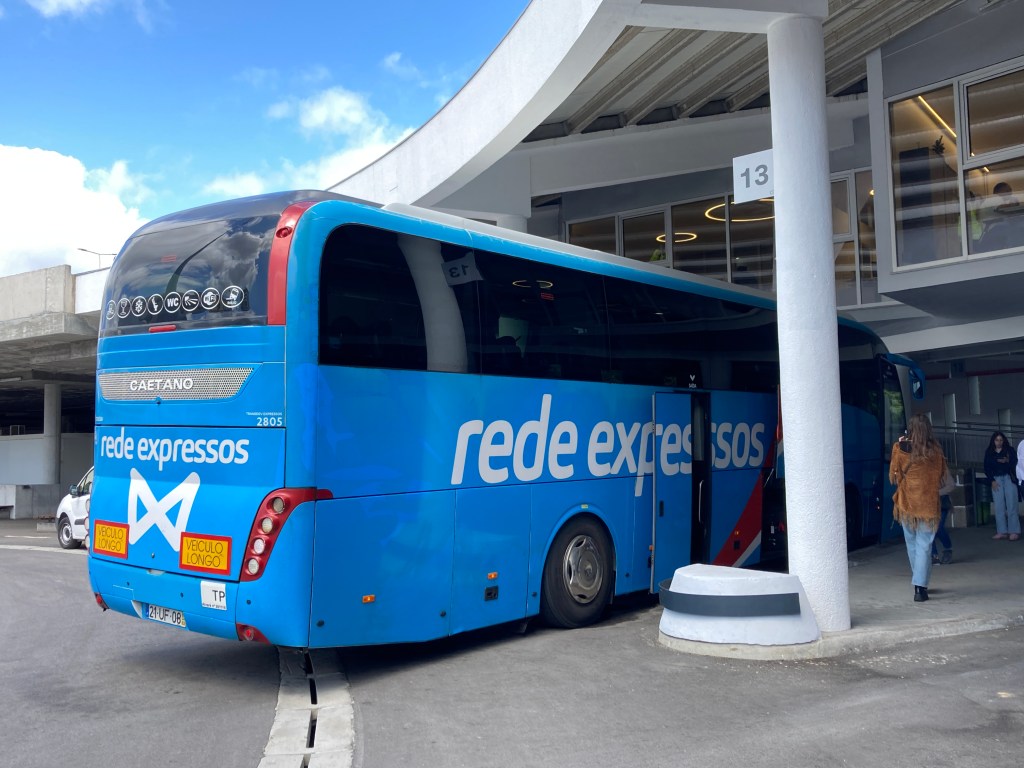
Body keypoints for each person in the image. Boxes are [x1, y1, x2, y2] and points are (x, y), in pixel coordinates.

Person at [890, 414, 948, 602]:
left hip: (907, 504)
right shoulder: (936, 450)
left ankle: (920, 584)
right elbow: (941, 476)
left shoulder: (900, 448)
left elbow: (895, 476)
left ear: (911, 428)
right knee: (925, 545)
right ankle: (920, 587)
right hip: (928, 504)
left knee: (912, 544)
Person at [984, 431, 1020, 541]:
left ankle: (1014, 531)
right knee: (999, 506)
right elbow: (986, 467)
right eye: (997, 440)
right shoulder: (989, 452)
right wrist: (992, 480)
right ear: (993, 441)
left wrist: (1008, 461)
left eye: (1001, 440)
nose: (999, 442)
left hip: (1009, 477)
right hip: (996, 479)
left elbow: (1016, 463)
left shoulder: (1009, 450)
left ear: (1004, 441)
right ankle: (1002, 531)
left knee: (1011, 504)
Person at [932, 466, 955, 565]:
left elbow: (951, 485)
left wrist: (936, 493)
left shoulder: (942, 467)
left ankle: (947, 548)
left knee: (938, 527)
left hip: (941, 502)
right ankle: (934, 555)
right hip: (927, 504)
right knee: (928, 529)